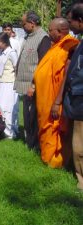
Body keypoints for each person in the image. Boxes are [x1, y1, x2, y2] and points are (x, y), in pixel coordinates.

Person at [34, 18, 79, 168]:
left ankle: (56, 161)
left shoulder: (70, 46)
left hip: (55, 98)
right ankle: (48, 158)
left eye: (50, 30)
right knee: (45, 126)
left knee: (56, 128)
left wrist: (57, 101)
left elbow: (66, 75)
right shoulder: (56, 46)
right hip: (45, 97)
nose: (48, 32)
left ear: (59, 31)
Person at [14, 11, 51, 150]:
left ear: (32, 23)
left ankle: (35, 145)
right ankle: (29, 143)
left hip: (34, 86)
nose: (22, 26)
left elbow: (43, 65)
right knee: (27, 115)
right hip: (25, 85)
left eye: (23, 23)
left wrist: (34, 86)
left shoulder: (43, 38)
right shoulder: (28, 37)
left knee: (33, 117)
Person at [63, 3, 83, 190]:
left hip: (80, 100)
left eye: (71, 22)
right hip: (76, 98)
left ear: (80, 21)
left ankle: (82, 181)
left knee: (79, 145)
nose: (70, 26)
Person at [0, 32, 19, 139]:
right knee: (1, 107)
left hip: (9, 84)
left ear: (5, 42)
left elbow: (16, 67)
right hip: (1, 83)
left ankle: (11, 132)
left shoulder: (11, 52)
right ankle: (3, 130)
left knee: (8, 108)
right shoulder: (1, 52)